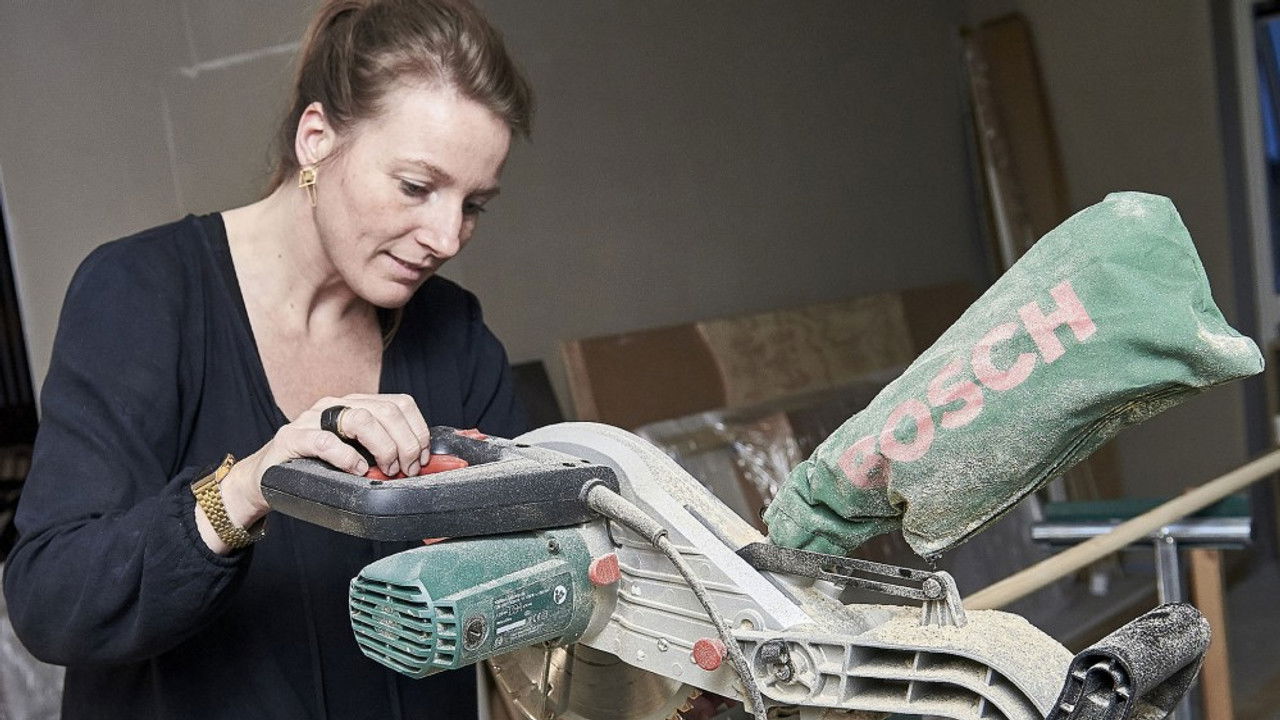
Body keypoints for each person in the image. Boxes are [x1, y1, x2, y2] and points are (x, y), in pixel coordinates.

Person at [3, 0, 532, 717]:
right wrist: (246, 489)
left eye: (474, 205)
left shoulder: (454, 333)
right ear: (316, 138)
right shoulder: (141, 295)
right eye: (416, 186)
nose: (446, 237)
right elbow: (50, 599)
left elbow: (530, 577)